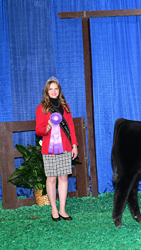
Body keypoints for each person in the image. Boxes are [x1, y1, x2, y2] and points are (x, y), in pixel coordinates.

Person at [35, 77, 78, 221]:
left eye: (56, 88)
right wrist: (46, 127)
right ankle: (54, 208)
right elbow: (38, 130)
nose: (54, 91)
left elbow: (71, 126)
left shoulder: (65, 106)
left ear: (59, 91)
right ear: (46, 92)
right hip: (49, 148)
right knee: (52, 178)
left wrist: (74, 145)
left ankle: (63, 209)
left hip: (65, 146)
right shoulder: (41, 108)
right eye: (51, 89)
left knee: (63, 177)